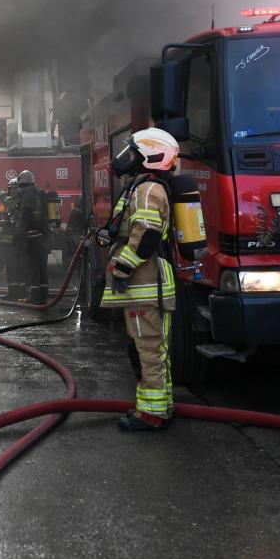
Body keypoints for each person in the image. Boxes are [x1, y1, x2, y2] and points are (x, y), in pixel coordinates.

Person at [99, 129, 181, 432]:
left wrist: (121, 269)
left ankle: (152, 414)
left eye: (133, 152)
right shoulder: (144, 187)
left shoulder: (148, 191)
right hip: (147, 283)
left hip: (144, 283)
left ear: (150, 156)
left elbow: (146, 236)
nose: (126, 159)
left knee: (147, 348)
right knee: (153, 348)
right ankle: (160, 406)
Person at [6, 170, 49, 303]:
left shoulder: (28, 195)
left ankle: (35, 297)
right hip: (41, 236)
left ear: (22, 184)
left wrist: (19, 235)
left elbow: (26, 217)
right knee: (41, 267)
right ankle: (42, 296)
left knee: (33, 267)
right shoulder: (38, 193)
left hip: (32, 237)